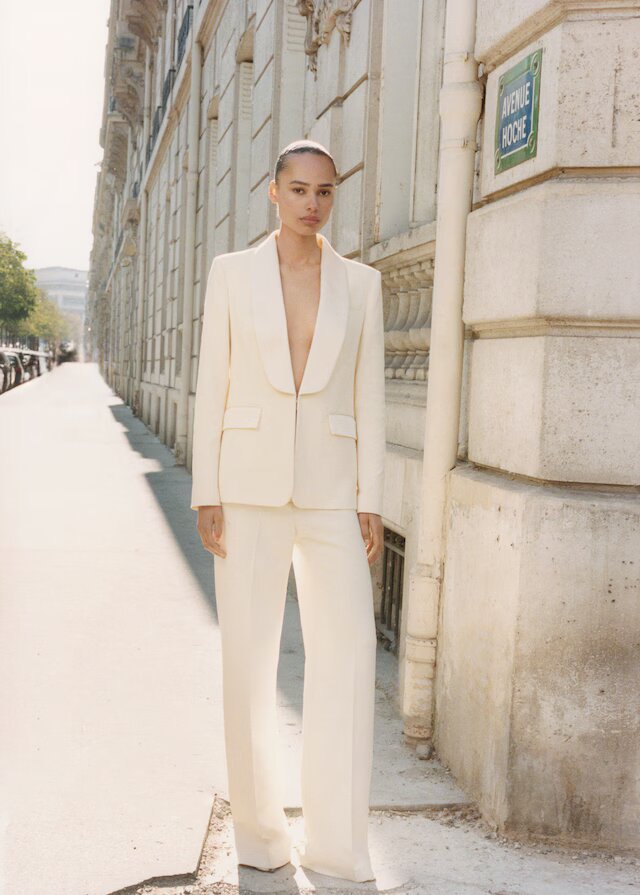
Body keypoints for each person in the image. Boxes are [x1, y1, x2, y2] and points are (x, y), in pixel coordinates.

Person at [190, 138, 386, 883]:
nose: (312, 203)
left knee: (348, 656)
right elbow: (214, 380)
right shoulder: (231, 274)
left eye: (324, 191)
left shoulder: (362, 284)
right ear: (274, 192)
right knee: (248, 661)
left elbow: (369, 394)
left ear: (334, 197)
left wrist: (370, 499)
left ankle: (337, 844)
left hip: (334, 491)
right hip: (246, 487)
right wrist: (207, 488)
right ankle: (260, 837)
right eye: (299, 189)